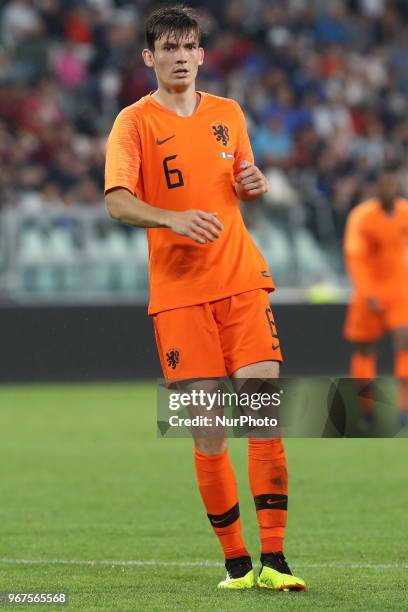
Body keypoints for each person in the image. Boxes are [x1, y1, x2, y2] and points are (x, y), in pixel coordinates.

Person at [104, 5, 305, 591]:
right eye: (169, 48)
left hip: (242, 280)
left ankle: (277, 560)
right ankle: (237, 563)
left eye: (189, 46)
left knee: (262, 405)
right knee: (209, 427)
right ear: (150, 58)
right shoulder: (133, 123)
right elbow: (117, 201)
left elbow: (245, 179)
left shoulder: (228, 114)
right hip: (179, 298)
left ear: (201, 53)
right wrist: (170, 218)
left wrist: (256, 185)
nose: (182, 57)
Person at [344, 163, 408, 427]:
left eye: (392, 184)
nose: (388, 189)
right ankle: (366, 410)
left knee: (403, 342)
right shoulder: (362, 216)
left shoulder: (404, 211)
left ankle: (403, 410)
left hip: (398, 288)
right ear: (375, 187)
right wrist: (366, 290)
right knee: (365, 350)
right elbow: (354, 256)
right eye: (383, 184)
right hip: (368, 291)